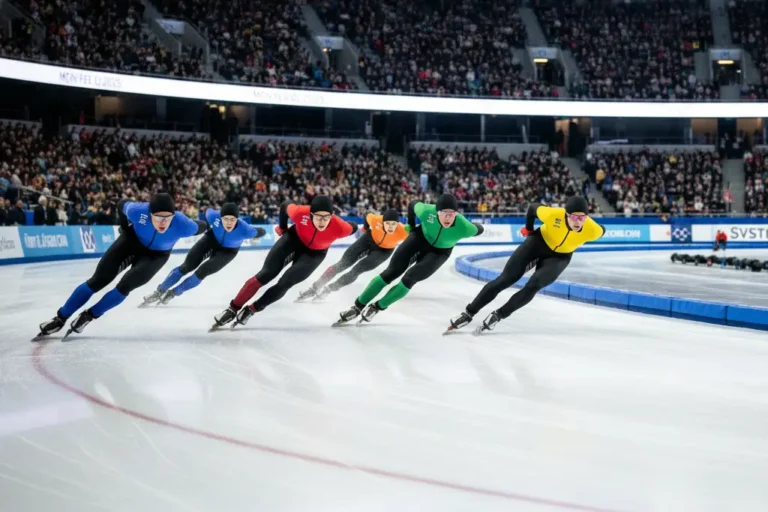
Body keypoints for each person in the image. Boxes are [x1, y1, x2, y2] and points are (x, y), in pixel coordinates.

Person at [36, 193, 207, 339]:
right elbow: (121, 204)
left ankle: (89, 315)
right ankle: (60, 318)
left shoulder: (183, 224)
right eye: (158, 218)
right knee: (98, 280)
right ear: (149, 214)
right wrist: (125, 226)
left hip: (156, 256)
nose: (163, 223)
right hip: (130, 243)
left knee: (126, 286)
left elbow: (202, 226)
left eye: (167, 218)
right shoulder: (138, 211)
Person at [449, 196, 604, 334]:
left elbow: (602, 230)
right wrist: (529, 229)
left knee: (534, 285)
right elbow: (532, 208)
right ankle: (469, 313)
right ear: (566, 214)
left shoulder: (593, 229)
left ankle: (499, 315)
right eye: (574, 217)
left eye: (582, 218)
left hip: (560, 256)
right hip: (538, 242)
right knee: (505, 279)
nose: (578, 222)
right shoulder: (552, 214)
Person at [211, 195, 358, 330]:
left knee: (285, 283)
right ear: (311, 214)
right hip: (293, 240)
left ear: (332, 216)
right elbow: (284, 206)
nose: (322, 221)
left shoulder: (340, 227)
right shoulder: (300, 212)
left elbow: (353, 227)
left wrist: (354, 224)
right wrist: (282, 227)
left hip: (314, 254)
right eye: (318, 217)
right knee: (266, 274)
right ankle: (232, 309)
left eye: (326, 217)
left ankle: (252, 309)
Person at [336, 193, 484, 325]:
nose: (448, 217)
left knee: (409, 279)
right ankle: (357, 307)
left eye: (452, 214)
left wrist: (477, 226)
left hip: (439, 253)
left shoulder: (465, 227)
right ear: (437, 211)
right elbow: (413, 204)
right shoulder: (427, 211)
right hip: (418, 239)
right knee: (391, 272)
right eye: (444, 213)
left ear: (457, 214)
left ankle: (377, 307)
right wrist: (412, 225)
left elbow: (479, 229)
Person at [142, 203, 267, 306]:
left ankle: (174, 292)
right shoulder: (214, 216)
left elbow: (261, 231)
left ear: (237, 219)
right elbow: (208, 211)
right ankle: (159, 291)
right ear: (220, 217)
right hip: (210, 240)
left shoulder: (246, 230)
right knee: (187, 266)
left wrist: (261, 231)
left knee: (202, 271)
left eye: (233, 220)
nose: (229, 223)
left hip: (228, 251)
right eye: (226, 219)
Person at [296, 208, 409, 301]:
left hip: (384, 251)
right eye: (387, 223)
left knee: (357, 270)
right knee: (342, 264)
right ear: (382, 221)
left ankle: (329, 289)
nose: (390, 227)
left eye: (393, 224)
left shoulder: (403, 230)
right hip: (368, 240)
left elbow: (418, 236)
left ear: (397, 223)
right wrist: (365, 228)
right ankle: (315, 287)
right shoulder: (375, 220)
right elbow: (368, 214)